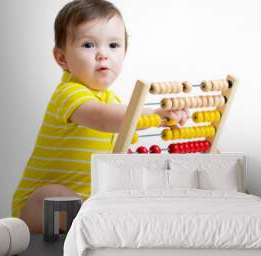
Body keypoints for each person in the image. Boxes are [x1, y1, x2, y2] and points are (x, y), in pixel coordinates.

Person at [11, 0, 189, 233]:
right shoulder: (68, 94)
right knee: (56, 196)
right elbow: (103, 118)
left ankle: (99, 232)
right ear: (62, 58)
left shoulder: (113, 102)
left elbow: (117, 126)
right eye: (88, 45)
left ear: (125, 52)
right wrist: (155, 115)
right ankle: (94, 231)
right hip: (35, 210)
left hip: (88, 207)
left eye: (114, 45)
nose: (103, 55)